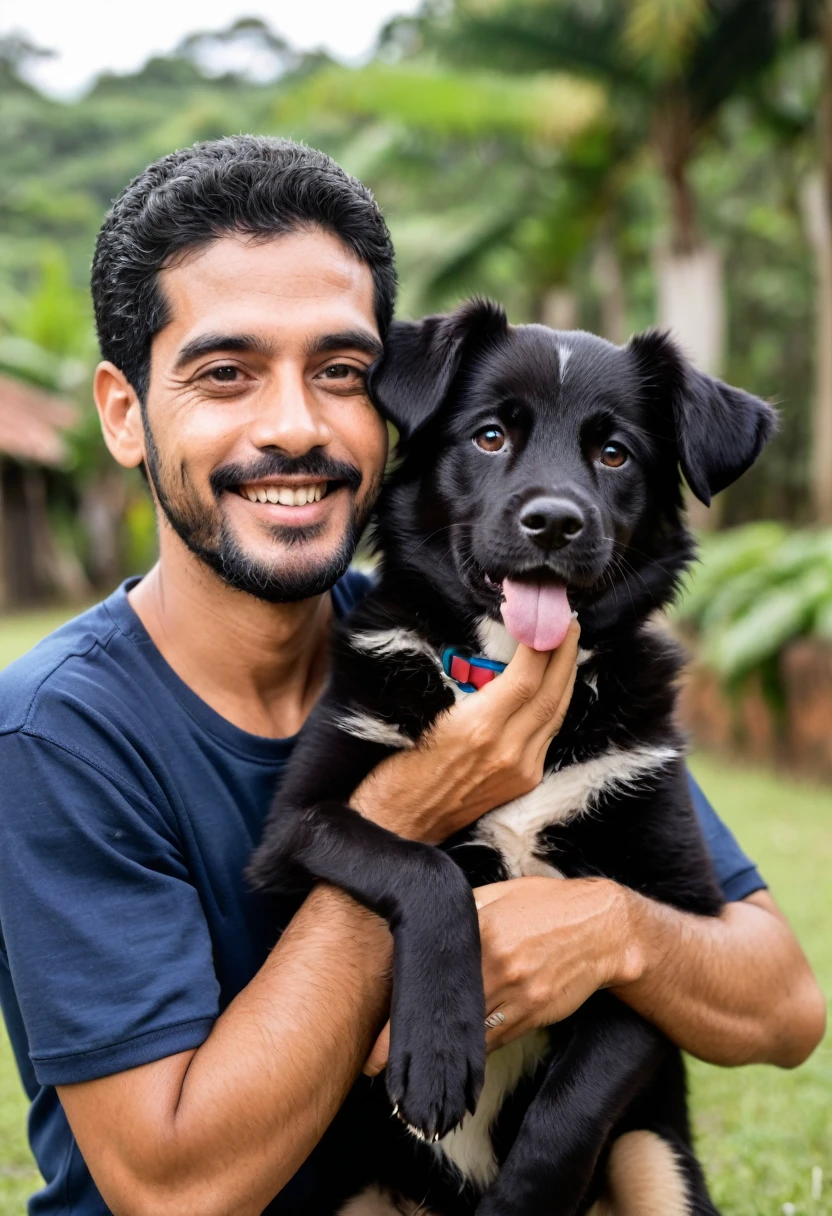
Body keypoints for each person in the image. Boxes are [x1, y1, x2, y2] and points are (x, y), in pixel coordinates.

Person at [0, 136, 824, 1216]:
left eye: (339, 372)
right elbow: (173, 1191)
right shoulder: (56, 736)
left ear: (391, 408)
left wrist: (612, 928)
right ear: (123, 413)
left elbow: (780, 1001)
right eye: (225, 373)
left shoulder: (488, 647)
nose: (293, 425)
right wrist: (420, 803)